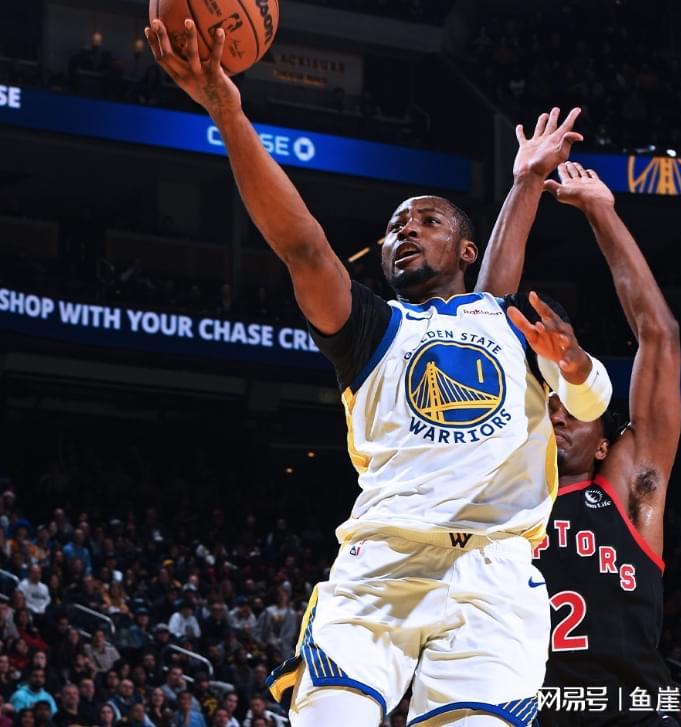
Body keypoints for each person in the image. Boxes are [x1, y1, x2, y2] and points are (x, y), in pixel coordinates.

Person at [145, 18, 611, 726]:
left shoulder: (513, 320)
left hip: (494, 577)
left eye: (425, 221)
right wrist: (228, 112)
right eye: (394, 227)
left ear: (466, 250)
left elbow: (592, 399)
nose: (404, 231)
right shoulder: (370, 327)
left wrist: (573, 360)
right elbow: (303, 245)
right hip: (379, 569)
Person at [483, 162, 680, 725]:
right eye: (548, 405)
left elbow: (659, 336)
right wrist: (523, 186)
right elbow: (472, 335)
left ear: (604, 446)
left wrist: (601, 211)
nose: (557, 414)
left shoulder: (628, 490)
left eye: (573, 409)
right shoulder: (499, 497)